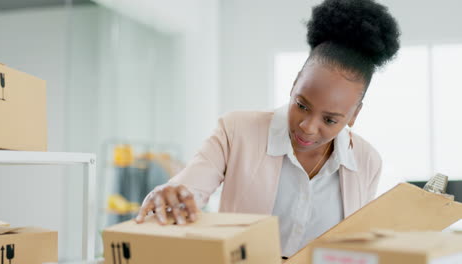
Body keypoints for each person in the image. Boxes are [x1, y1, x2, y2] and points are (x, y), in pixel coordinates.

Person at [136, 0, 400, 257]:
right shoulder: (237, 130)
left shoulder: (367, 161)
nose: (307, 127)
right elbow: (188, 190)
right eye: (302, 105)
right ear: (295, 83)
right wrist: (170, 195)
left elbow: (355, 246)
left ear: (354, 115)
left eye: (330, 120)